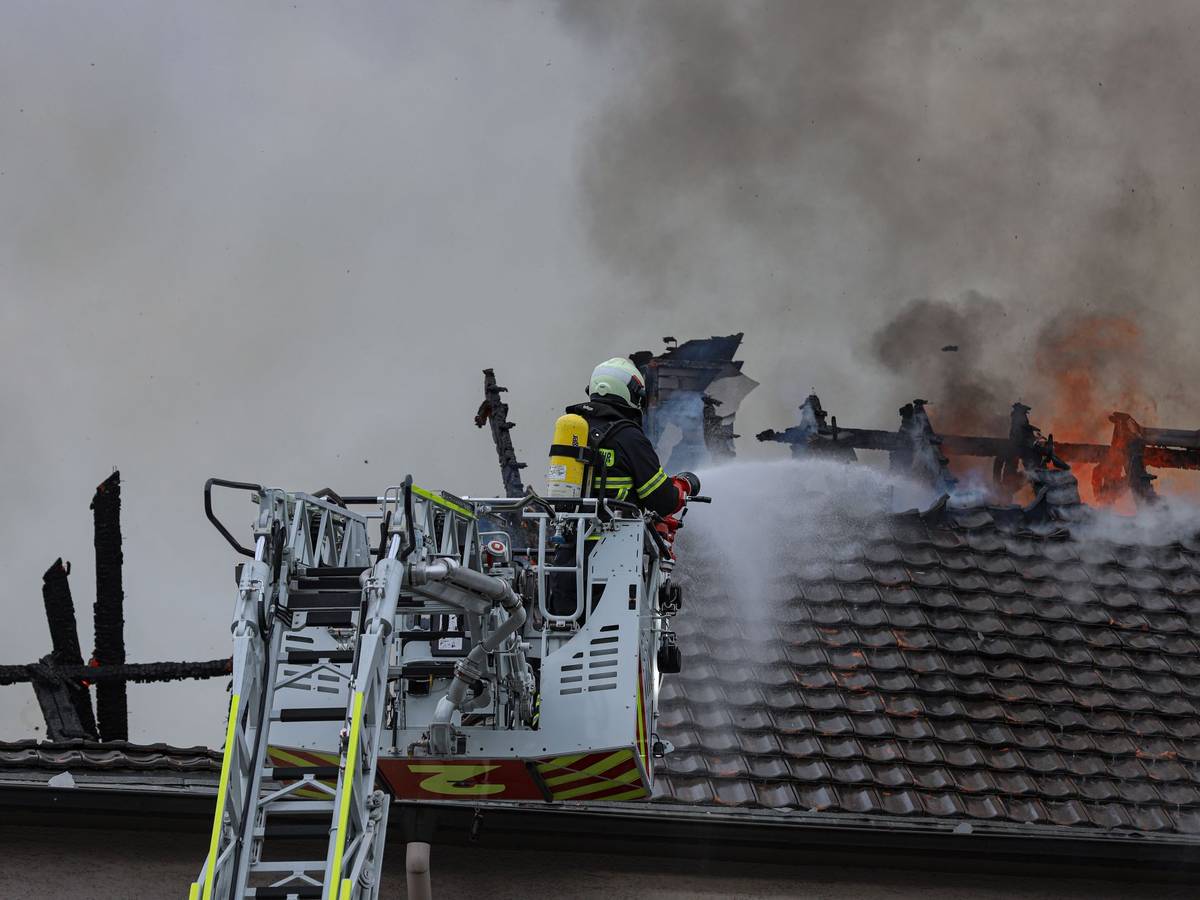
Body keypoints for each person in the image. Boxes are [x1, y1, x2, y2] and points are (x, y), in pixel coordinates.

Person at [547, 357, 699, 617]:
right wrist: (683, 486)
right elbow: (662, 500)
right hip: (612, 560)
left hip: (567, 560)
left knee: (563, 634)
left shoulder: (574, 432)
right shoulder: (629, 437)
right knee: (615, 647)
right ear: (631, 393)